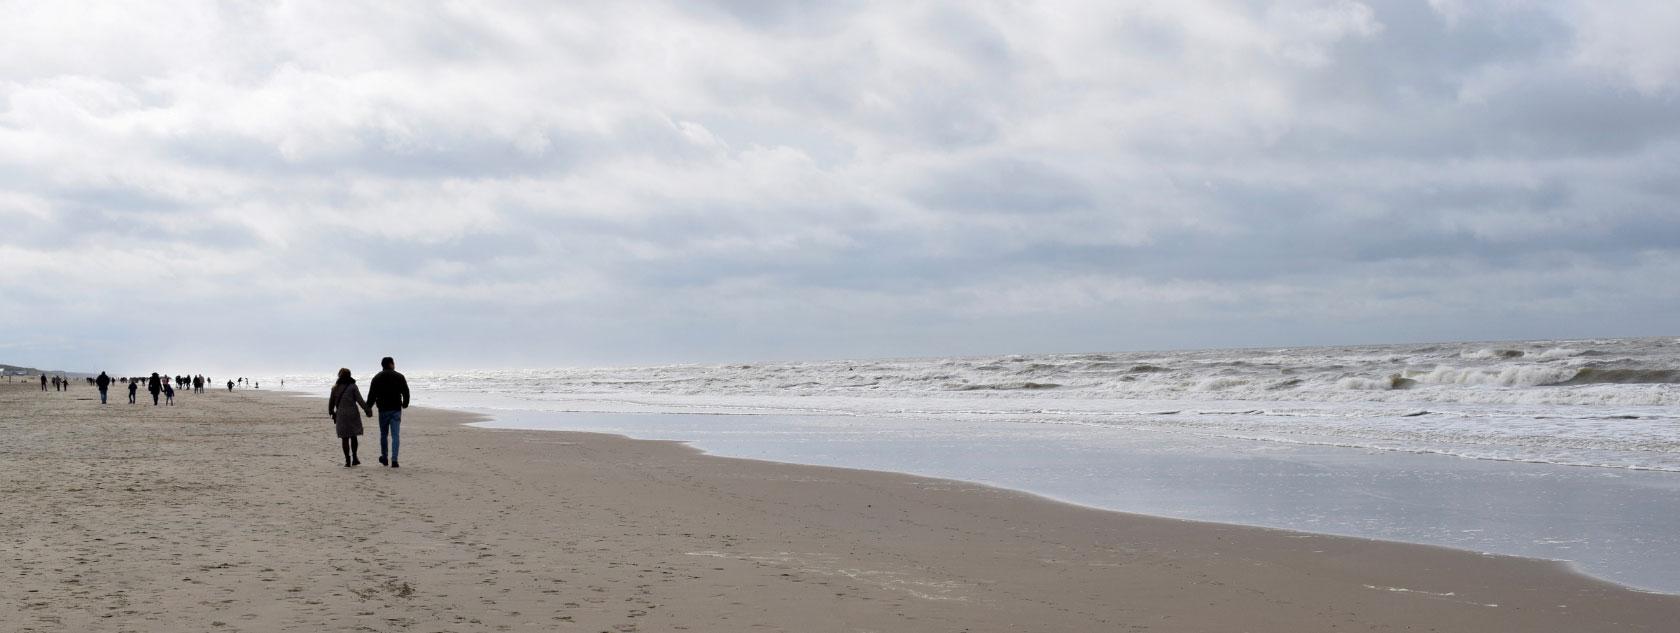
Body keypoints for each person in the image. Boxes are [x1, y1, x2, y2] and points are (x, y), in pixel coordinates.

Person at [365, 356, 411, 468]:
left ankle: (384, 457)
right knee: (395, 435)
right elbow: (406, 391)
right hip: (395, 408)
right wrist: (405, 403)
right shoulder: (399, 376)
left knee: (383, 435)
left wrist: (368, 408)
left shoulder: (377, 378)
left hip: (383, 409)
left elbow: (372, 395)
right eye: (393, 363)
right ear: (391, 364)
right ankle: (394, 460)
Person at [329, 368, 370, 467]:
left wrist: (332, 413)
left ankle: (347, 461)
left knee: (344, 438)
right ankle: (355, 457)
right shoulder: (353, 386)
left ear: (339, 376)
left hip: (341, 415)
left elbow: (331, 404)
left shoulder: (335, 388)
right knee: (353, 436)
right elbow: (360, 400)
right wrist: (367, 409)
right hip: (353, 414)